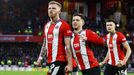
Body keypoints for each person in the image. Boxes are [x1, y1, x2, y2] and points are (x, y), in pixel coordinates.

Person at [36, 1, 72, 75]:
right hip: (50, 61)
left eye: (53, 8)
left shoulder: (64, 25)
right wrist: (40, 58)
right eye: (49, 8)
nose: (51, 10)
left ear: (59, 11)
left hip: (60, 60)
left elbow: (68, 46)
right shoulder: (46, 26)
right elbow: (45, 44)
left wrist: (70, 64)